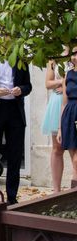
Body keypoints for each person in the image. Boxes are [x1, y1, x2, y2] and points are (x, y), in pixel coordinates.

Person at [0, 56, 32, 204]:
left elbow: (28, 85)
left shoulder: (21, 59)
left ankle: (12, 198)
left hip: (15, 111)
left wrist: (21, 89)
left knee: (15, 157)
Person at [43, 56, 66, 192]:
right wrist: (63, 81)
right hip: (57, 103)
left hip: (72, 100)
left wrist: (67, 87)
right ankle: (56, 191)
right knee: (57, 148)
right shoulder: (54, 55)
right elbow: (47, 83)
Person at [59, 46, 77, 188]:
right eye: (73, 54)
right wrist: (60, 128)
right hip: (69, 116)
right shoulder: (68, 75)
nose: (75, 57)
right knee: (74, 161)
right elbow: (64, 103)